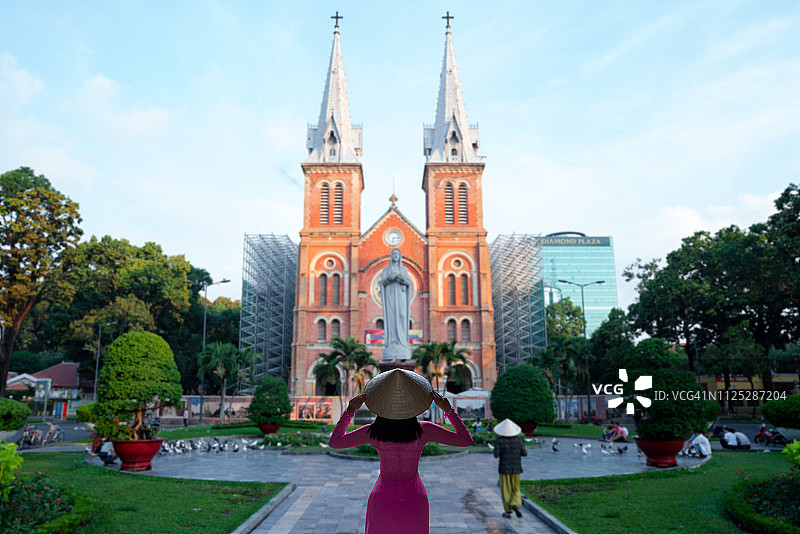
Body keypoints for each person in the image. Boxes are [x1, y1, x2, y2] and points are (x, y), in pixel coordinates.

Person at [329, 368, 473, 534]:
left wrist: (349, 412)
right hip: (415, 498)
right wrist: (448, 410)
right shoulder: (424, 430)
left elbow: (335, 442)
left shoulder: (373, 432)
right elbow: (465, 440)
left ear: (381, 405)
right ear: (412, 403)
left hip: (382, 498)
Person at [380, 249, 414, 360]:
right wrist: (389, 278)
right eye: (393, 254)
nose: (395, 256)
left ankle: (402, 342)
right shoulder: (386, 270)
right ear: (391, 256)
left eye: (397, 254)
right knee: (391, 318)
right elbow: (382, 282)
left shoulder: (404, 270)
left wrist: (401, 278)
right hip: (390, 296)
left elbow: (408, 283)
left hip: (401, 297)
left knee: (402, 315)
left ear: (399, 256)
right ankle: (392, 341)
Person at [493, 419, 527, 518]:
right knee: (516, 488)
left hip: (504, 469)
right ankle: (515, 504)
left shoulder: (500, 440)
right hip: (516, 468)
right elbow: (525, 453)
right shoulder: (518, 440)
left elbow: (496, 455)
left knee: (506, 490)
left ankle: (508, 511)